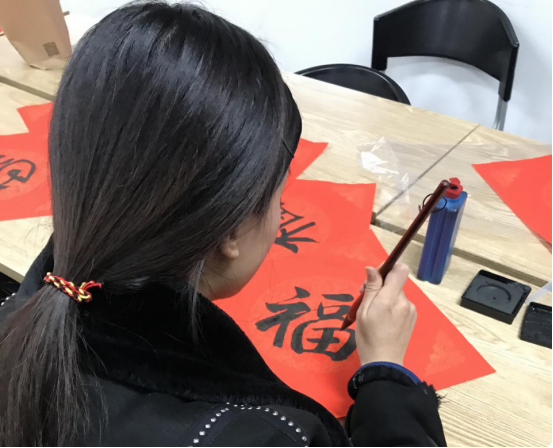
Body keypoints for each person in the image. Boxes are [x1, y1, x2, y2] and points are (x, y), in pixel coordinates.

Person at [0, 2, 446, 447]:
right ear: (231, 230)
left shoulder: (27, 316)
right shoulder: (266, 436)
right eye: (278, 196)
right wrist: (386, 374)